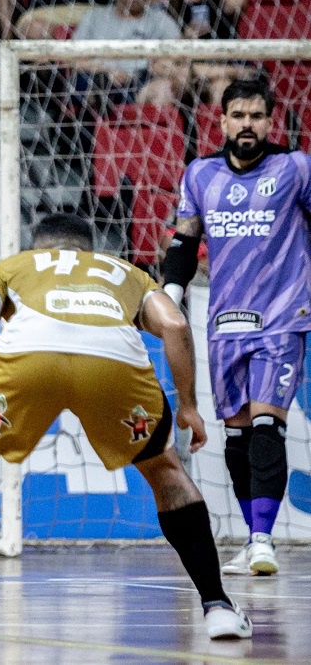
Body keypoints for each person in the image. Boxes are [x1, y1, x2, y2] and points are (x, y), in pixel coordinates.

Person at [0, 214, 253, 643]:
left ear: (38, 246)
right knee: (167, 473)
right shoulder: (126, 272)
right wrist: (189, 406)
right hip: (113, 367)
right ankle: (218, 607)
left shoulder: (13, 266)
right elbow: (175, 325)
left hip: (26, 362)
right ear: (89, 249)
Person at [162, 79, 311, 577]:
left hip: (283, 317)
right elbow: (185, 242)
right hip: (225, 321)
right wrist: (170, 297)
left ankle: (263, 539)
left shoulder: (295, 169)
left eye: (257, 116)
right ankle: (253, 538)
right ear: (222, 121)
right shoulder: (200, 174)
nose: (248, 124)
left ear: (271, 122)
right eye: (239, 116)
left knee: (268, 424)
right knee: (238, 434)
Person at [67, 0, 183, 108]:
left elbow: (179, 54)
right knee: (85, 82)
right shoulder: (94, 17)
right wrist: (108, 71)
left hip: (141, 80)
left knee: (163, 88)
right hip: (97, 76)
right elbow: (73, 59)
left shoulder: (161, 21)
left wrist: (159, 63)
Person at [165, 0, 251, 105]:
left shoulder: (219, 4)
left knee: (221, 86)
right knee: (168, 86)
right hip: (186, 75)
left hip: (221, 70)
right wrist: (185, 39)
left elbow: (239, 3)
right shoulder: (169, 11)